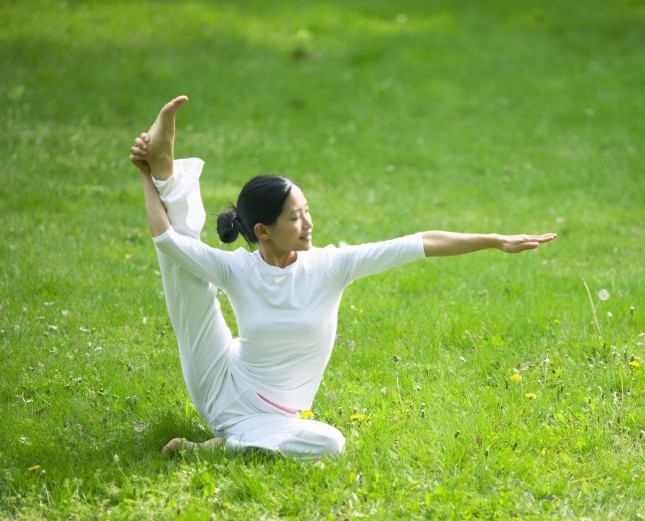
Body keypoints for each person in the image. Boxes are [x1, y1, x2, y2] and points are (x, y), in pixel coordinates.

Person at [129, 96, 557, 459]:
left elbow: (419, 241)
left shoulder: (331, 266)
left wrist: (494, 240)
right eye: (295, 218)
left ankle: (215, 446)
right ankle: (166, 172)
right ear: (262, 231)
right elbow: (167, 240)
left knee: (330, 442)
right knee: (187, 278)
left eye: (307, 211)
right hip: (221, 380)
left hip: (274, 415)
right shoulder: (239, 269)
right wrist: (146, 177)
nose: (309, 223)